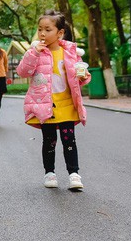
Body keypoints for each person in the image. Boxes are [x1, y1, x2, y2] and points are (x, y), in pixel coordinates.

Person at [16, 10, 91, 191]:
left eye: (47, 29)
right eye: (40, 29)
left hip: (66, 105)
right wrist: (33, 53)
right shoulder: (36, 52)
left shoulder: (71, 53)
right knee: (49, 140)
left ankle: (74, 175)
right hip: (45, 105)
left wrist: (84, 77)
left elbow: (81, 76)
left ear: (60, 33)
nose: (42, 33)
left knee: (69, 139)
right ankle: (49, 173)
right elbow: (22, 72)